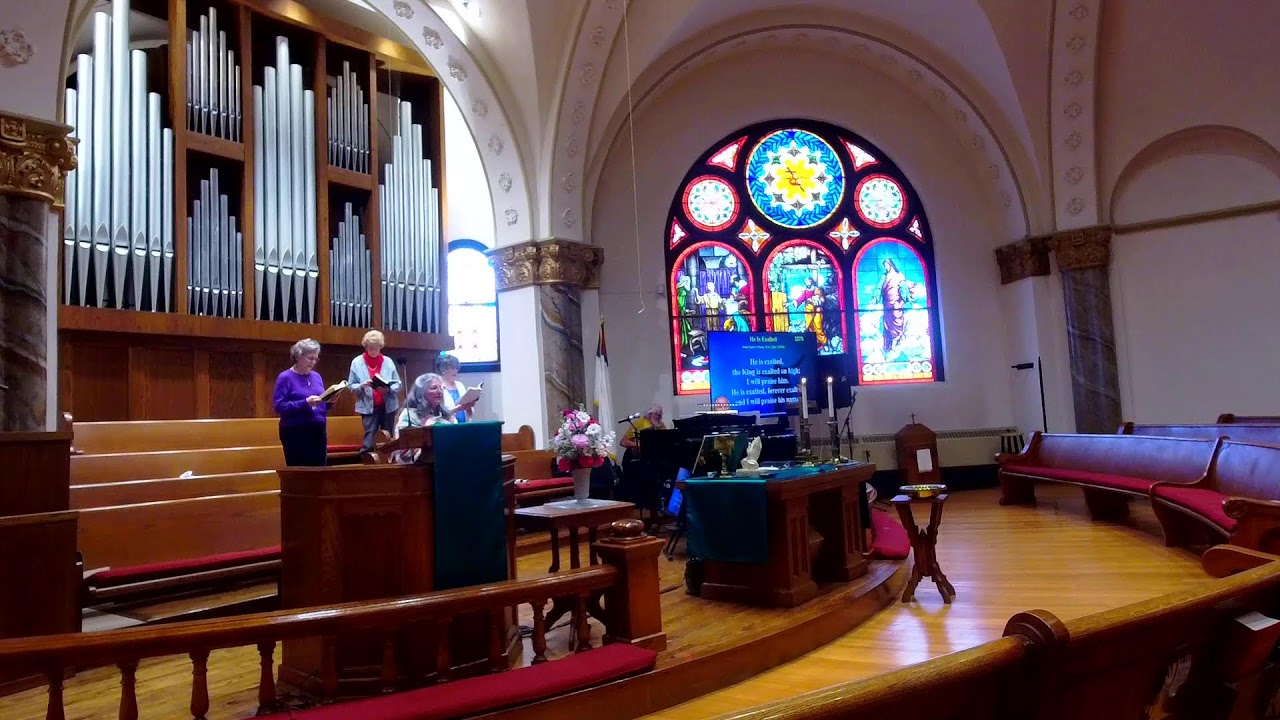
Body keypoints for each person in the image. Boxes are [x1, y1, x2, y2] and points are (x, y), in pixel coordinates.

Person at [273, 338, 330, 467]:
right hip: (295, 431)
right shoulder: (285, 377)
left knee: (319, 472)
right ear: (298, 356)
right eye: (310, 358)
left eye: (316, 359)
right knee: (301, 473)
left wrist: (329, 402)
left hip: (318, 430)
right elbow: (279, 406)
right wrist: (305, 403)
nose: (313, 362)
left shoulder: (316, 376)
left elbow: (320, 406)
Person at [348, 330, 402, 452]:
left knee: (387, 439)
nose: (373, 351)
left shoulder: (388, 362)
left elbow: (398, 384)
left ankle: (387, 465)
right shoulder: (357, 362)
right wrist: (362, 386)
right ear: (365, 347)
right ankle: (368, 466)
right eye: (371, 348)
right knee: (369, 440)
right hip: (368, 407)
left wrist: (388, 389)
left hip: (388, 406)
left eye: (376, 348)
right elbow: (351, 386)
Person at [391, 373, 456, 463]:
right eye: (434, 388)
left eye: (441, 388)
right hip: (417, 467)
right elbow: (404, 449)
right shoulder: (409, 415)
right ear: (421, 393)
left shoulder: (447, 415)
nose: (439, 391)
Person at [435, 352, 477, 422]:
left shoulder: (459, 385)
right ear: (443, 370)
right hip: (448, 426)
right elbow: (439, 413)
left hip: (463, 425)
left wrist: (469, 407)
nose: (455, 371)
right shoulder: (438, 387)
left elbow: (469, 412)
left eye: (456, 368)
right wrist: (457, 409)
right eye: (452, 368)